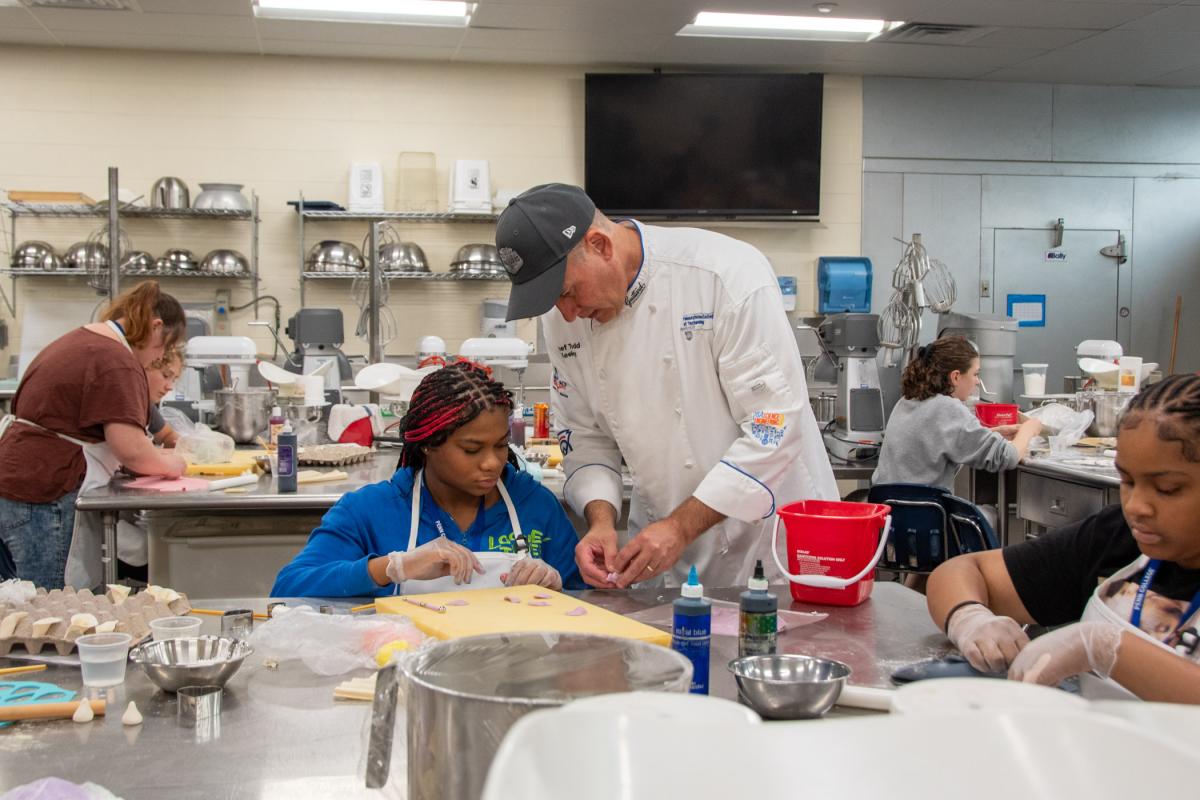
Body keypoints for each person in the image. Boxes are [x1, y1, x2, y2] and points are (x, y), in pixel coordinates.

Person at [494, 183, 837, 589]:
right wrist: (601, 520)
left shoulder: (724, 275)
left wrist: (680, 527)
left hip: (770, 543)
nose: (566, 314)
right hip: (664, 552)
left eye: (567, 292)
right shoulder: (563, 318)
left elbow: (773, 427)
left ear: (601, 245)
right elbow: (584, 436)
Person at [926, 374, 1200, 703]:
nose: (1137, 506)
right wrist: (970, 619)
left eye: (1167, 489)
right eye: (1127, 481)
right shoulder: (1117, 540)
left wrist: (1104, 647)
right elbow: (959, 573)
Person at [273, 362, 583, 598]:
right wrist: (392, 568)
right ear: (427, 444)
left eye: (501, 445)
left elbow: (586, 600)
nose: (492, 462)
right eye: (471, 449)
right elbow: (286, 590)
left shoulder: (534, 506)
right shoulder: (370, 511)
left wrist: (556, 585)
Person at [0, 281, 188, 589]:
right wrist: (174, 464)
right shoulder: (115, 358)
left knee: (21, 603)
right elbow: (131, 449)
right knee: (49, 610)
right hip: (43, 493)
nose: (158, 356)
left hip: (19, 483)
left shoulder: (86, 340)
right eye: (163, 347)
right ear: (156, 327)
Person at [873, 336, 1043, 490]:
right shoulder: (948, 408)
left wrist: (992, 433)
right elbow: (1007, 457)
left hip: (890, 513)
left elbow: (938, 438)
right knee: (989, 515)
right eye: (975, 374)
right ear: (955, 377)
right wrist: (1029, 428)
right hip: (925, 515)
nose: (977, 382)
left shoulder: (907, 401)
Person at [146, 347, 183, 447]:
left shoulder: (147, 405)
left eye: (174, 380)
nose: (170, 387)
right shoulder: (126, 400)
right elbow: (135, 452)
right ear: (145, 365)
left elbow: (166, 436)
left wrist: (189, 446)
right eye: (166, 375)